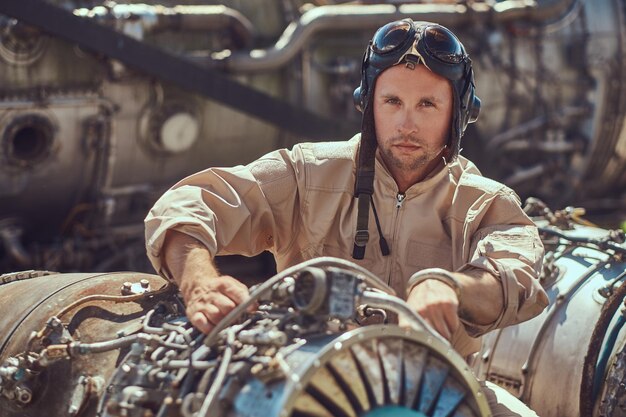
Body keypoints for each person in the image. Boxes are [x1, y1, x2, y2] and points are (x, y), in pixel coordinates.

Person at [145, 18, 548, 416]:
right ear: (368, 104)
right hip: (302, 385)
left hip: (435, 391)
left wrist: (451, 287)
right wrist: (198, 280)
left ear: (458, 113)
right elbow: (189, 201)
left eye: (427, 104)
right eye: (392, 102)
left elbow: (515, 276)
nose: (407, 124)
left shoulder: (485, 202)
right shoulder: (308, 172)